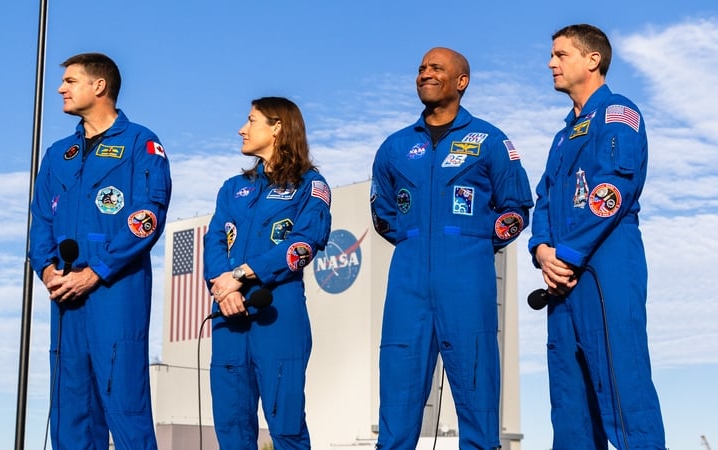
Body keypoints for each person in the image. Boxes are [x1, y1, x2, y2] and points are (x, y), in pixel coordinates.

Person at [370, 47, 534, 449]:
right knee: (397, 398)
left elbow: (515, 209)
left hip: (467, 281)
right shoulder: (394, 147)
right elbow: (383, 214)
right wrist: (416, 242)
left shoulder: (491, 141)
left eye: (436, 68)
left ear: (462, 81)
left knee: (477, 396)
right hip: (407, 284)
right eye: (421, 68)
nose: (425, 74)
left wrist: (473, 242)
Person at [528, 24, 666, 449]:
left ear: (593, 60)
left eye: (561, 54)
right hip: (562, 277)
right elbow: (545, 197)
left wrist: (567, 254)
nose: (550, 63)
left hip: (605, 263)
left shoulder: (618, 113)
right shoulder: (562, 137)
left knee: (624, 390)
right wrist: (542, 250)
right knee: (570, 405)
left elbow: (613, 188)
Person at [29, 52, 171, 449]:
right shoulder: (58, 154)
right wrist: (47, 270)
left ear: (99, 86)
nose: (61, 88)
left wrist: (96, 271)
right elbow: (40, 220)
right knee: (70, 409)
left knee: (124, 405)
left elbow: (147, 216)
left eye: (70, 81)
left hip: (115, 289)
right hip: (65, 294)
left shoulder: (140, 143)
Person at [204, 97, 331, 449]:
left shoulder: (310, 186)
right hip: (227, 314)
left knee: (286, 426)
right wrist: (224, 288)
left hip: (277, 311)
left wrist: (241, 276)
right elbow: (214, 241)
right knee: (231, 427)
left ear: (277, 127)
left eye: (251, 120)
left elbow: (303, 244)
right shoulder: (233, 188)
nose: (242, 129)